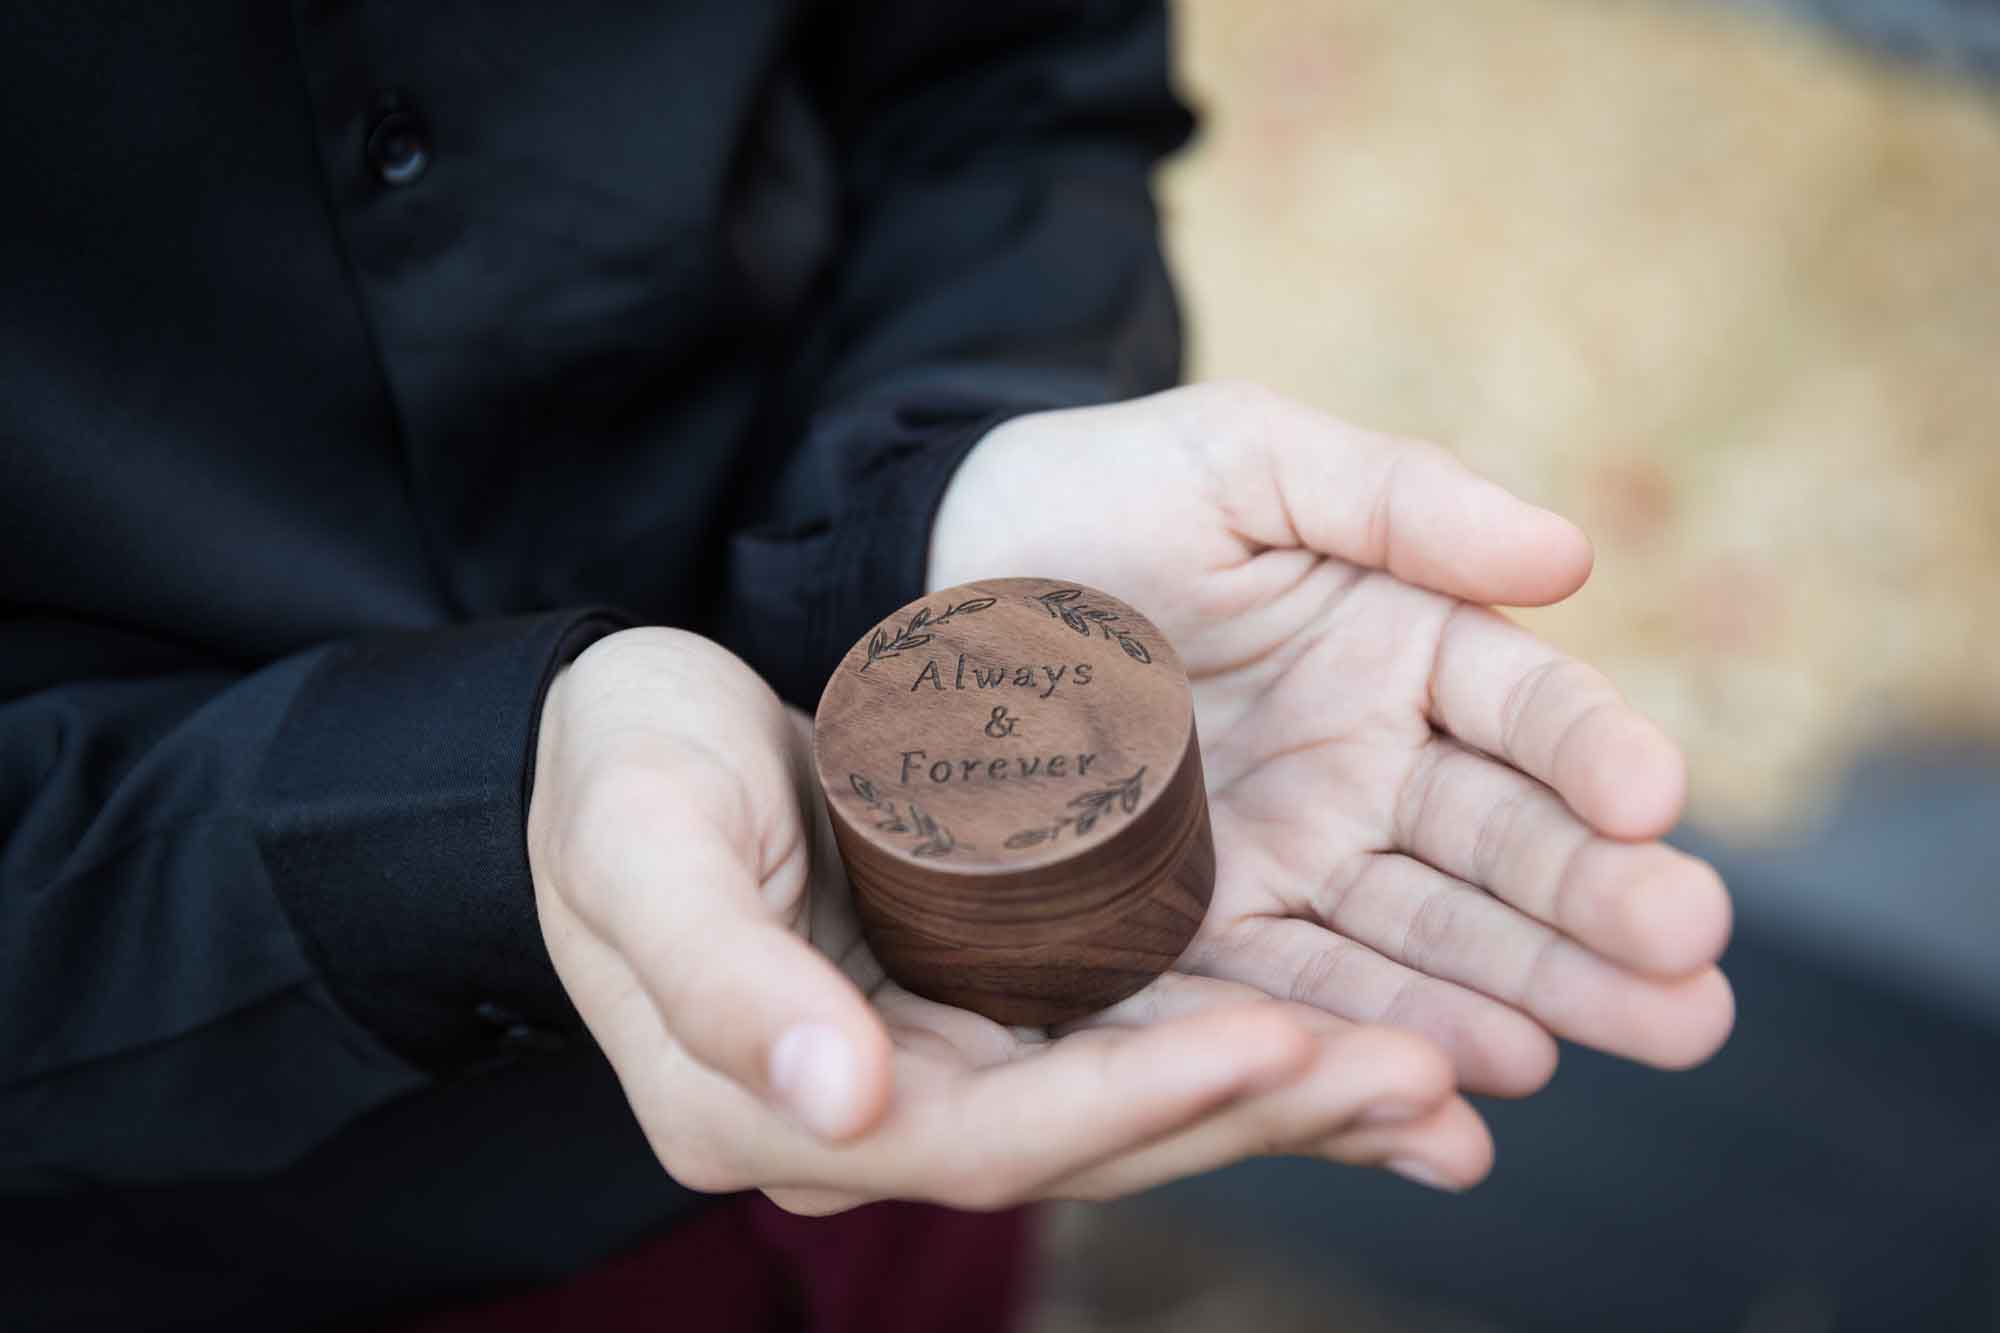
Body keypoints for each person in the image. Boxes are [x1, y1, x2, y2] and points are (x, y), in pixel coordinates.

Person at [0, 3, 1734, 1328]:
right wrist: (442, 823)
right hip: (221, 1238)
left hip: (975, 1056)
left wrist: (945, 474)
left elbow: (1010, 74)